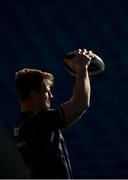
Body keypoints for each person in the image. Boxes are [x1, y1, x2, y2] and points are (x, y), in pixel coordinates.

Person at [14, 48, 94, 179]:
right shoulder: (39, 120)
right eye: (47, 91)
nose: (51, 96)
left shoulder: (22, 124)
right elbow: (80, 104)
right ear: (34, 94)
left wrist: (83, 73)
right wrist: (82, 68)